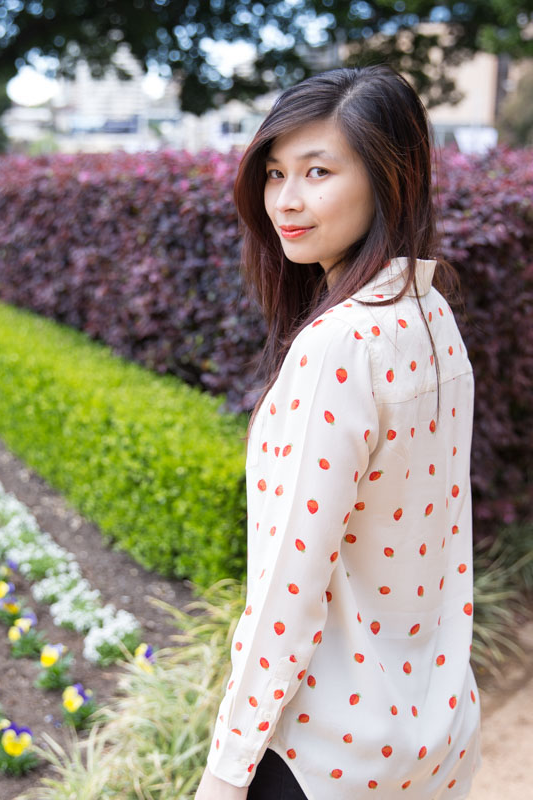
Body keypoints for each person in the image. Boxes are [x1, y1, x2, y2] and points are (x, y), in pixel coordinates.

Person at [192, 65, 481, 800]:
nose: (286, 201)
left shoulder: (340, 347)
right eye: (276, 172)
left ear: (394, 178)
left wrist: (225, 773)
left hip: (322, 757)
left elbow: (289, 586)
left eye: (318, 171)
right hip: (432, 737)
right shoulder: (430, 316)